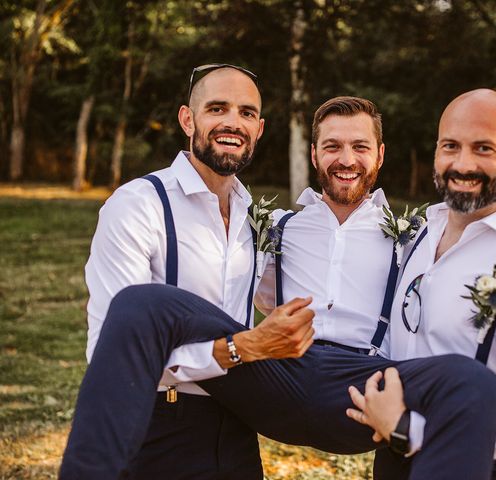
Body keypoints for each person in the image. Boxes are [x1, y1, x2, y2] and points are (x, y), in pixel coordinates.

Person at [60, 95, 496, 480]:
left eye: (359, 147)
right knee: (145, 304)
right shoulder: (271, 228)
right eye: (332, 146)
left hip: (362, 384)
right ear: (314, 154)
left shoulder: (416, 236)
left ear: (381, 154)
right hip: (279, 375)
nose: (346, 159)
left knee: (472, 383)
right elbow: (222, 278)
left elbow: (474, 216)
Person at [63, 63, 316, 479]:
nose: (233, 122)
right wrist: (243, 348)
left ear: (260, 128)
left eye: (247, 112)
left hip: (237, 426)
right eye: (217, 108)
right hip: (158, 424)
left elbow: (300, 295)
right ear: (187, 119)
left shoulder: (252, 217)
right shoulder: (138, 205)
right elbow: (114, 351)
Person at [346, 89, 496, 480]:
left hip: (471, 466)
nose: (463, 164)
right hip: (390, 460)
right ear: (436, 151)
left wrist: (408, 430)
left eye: (484, 148)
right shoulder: (417, 235)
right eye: (451, 146)